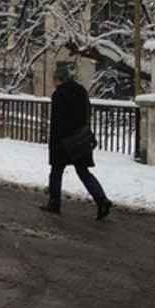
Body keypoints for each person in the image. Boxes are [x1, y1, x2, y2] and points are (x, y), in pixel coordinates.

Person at [40, 68, 112, 220]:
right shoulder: (81, 91)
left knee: (56, 171)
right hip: (81, 138)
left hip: (64, 141)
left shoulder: (59, 95)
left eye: (53, 80)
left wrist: (55, 144)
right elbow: (88, 112)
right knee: (83, 172)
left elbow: (57, 122)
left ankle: (54, 203)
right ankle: (101, 199)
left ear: (57, 79)